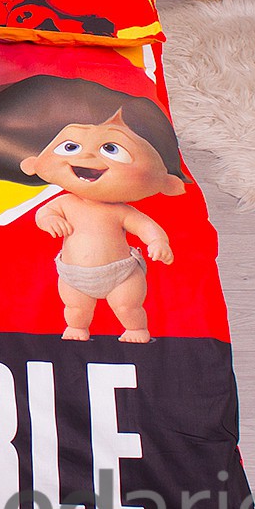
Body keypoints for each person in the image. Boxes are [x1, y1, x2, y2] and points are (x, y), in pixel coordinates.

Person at [19, 109, 188, 343]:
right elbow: (44, 213)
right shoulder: (66, 203)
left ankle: (136, 330)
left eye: (111, 149)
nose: (87, 156)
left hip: (121, 274)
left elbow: (145, 225)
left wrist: (158, 241)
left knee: (127, 306)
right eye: (72, 147)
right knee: (75, 308)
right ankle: (77, 328)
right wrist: (50, 220)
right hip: (73, 275)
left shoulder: (120, 211)